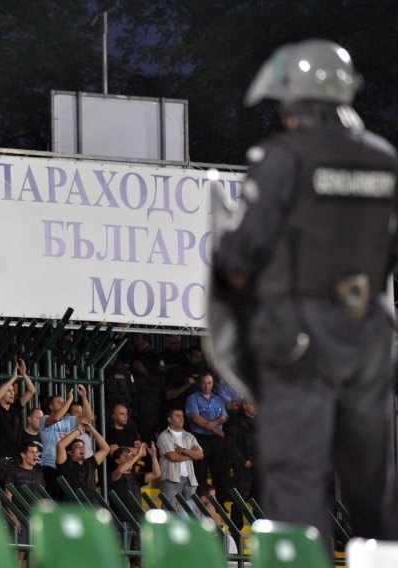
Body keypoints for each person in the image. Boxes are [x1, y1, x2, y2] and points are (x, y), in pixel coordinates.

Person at [213, 39, 398, 545]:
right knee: (374, 484)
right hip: (370, 339)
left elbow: (236, 254)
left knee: (295, 479)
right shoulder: (385, 159)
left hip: (299, 340)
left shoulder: (284, 156)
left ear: (296, 100)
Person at [39, 385, 92, 498]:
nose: (63, 404)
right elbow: (56, 418)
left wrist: (84, 397)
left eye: (63, 402)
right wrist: (69, 400)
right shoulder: (44, 419)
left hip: (65, 466)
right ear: (50, 406)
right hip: (49, 467)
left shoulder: (68, 420)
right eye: (59, 402)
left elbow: (88, 418)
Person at [0, 360, 36, 482]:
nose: (12, 393)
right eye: (8, 390)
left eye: (13, 390)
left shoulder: (15, 408)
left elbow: (31, 391)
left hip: (15, 459)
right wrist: (13, 378)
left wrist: (23, 374)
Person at [184, 373, 229, 501]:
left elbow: (223, 417)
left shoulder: (218, 399)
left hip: (216, 440)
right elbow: (196, 418)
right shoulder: (193, 398)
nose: (206, 386)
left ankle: (219, 504)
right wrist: (215, 429)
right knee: (200, 471)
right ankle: (200, 501)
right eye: (204, 383)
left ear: (213, 384)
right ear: (199, 383)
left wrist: (212, 425)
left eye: (209, 383)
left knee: (219, 471)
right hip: (200, 438)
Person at [109, 442, 161, 551]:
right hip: (121, 521)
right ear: (117, 461)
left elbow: (156, 474)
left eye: (130, 454)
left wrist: (153, 456)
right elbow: (120, 470)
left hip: (138, 520)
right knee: (122, 557)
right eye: (125, 455)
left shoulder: (136, 477)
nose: (129, 456)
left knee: (139, 559)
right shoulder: (114, 475)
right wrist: (137, 455)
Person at [4, 442, 44, 565]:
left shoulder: (39, 473)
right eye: (32, 452)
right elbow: (8, 496)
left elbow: (41, 497)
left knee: (37, 552)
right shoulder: (14, 472)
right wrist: (14, 516)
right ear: (23, 455)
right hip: (21, 517)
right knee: (20, 552)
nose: (36, 455)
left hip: (36, 518)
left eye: (37, 452)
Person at [156, 408, 203, 508]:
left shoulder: (189, 436)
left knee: (190, 514)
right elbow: (172, 456)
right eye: (177, 416)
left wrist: (183, 451)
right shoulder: (164, 436)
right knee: (169, 512)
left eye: (182, 416)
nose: (181, 418)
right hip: (171, 479)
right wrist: (191, 455)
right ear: (169, 419)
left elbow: (200, 455)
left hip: (190, 479)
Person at [55, 422, 110, 505]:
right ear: (70, 452)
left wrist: (92, 430)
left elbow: (106, 449)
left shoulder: (90, 463)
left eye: (83, 446)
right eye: (78, 447)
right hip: (72, 509)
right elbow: (60, 445)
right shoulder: (65, 465)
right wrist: (78, 430)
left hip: (90, 507)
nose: (82, 448)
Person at [225, 399, 258, 529]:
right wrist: (244, 461)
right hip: (242, 468)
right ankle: (236, 532)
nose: (255, 406)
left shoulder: (261, 422)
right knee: (239, 501)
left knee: (259, 501)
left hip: (258, 469)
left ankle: (260, 531)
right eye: (252, 403)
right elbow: (231, 446)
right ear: (244, 406)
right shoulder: (235, 422)